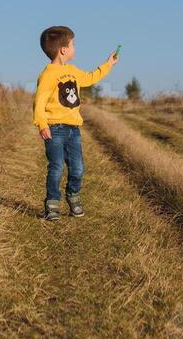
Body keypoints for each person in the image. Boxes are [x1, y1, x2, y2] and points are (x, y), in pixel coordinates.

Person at [32, 25, 118, 221]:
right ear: (63, 49)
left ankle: (73, 196)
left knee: (78, 168)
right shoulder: (48, 74)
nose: (75, 48)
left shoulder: (72, 70)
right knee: (56, 167)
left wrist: (108, 64)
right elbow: (40, 101)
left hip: (73, 130)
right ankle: (52, 204)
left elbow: (90, 78)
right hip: (54, 128)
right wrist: (42, 124)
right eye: (73, 44)